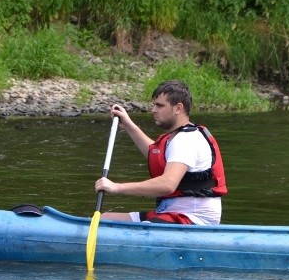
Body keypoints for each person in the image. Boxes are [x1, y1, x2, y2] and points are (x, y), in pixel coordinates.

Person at [95, 80, 227, 225]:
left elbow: (167, 184)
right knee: (104, 219)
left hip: (193, 219)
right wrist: (128, 125)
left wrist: (116, 187)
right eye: (154, 105)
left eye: (160, 105)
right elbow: (155, 155)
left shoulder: (187, 140)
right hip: (171, 213)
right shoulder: (174, 137)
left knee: (136, 227)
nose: (153, 110)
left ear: (178, 108)